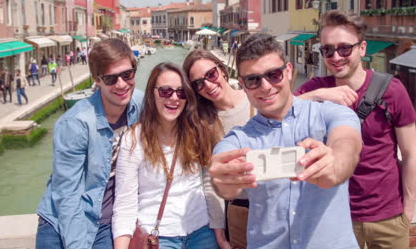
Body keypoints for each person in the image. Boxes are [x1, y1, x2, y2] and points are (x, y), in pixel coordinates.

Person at [209, 33, 363, 249]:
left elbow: (347, 143)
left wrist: (335, 163)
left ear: (288, 71)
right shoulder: (238, 139)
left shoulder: (331, 113)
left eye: (273, 75)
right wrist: (223, 183)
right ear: (243, 84)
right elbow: (223, 175)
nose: (265, 86)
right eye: (254, 80)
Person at [293, 10, 416, 249]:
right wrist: (319, 94)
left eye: (344, 48)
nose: (336, 56)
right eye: (328, 50)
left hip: (388, 219)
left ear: (362, 48)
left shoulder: (392, 90)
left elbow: (410, 154)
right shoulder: (316, 89)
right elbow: (279, 115)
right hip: (334, 216)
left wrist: (408, 213)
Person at [36, 39, 144, 249]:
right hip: (59, 222)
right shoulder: (75, 124)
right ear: (97, 80)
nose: (121, 84)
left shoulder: (140, 103)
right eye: (111, 79)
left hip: (106, 222)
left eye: (127, 75)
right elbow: (68, 196)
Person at [112, 62, 219, 249]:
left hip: (202, 230)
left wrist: (219, 230)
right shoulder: (134, 140)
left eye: (181, 92)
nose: (174, 98)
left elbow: (209, 182)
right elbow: (125, 203)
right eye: (165, 91)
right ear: (152, 94)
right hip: (159, 237)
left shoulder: (197, 130)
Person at [183, 49, 251, 248]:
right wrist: (219, 230)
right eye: (198, 83)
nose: (208, 85)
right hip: (238, 213)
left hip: (274, 206)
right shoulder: (203, 124)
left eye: (211, 75)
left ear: (222, 70)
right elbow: (209, 181)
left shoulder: (254, 98)